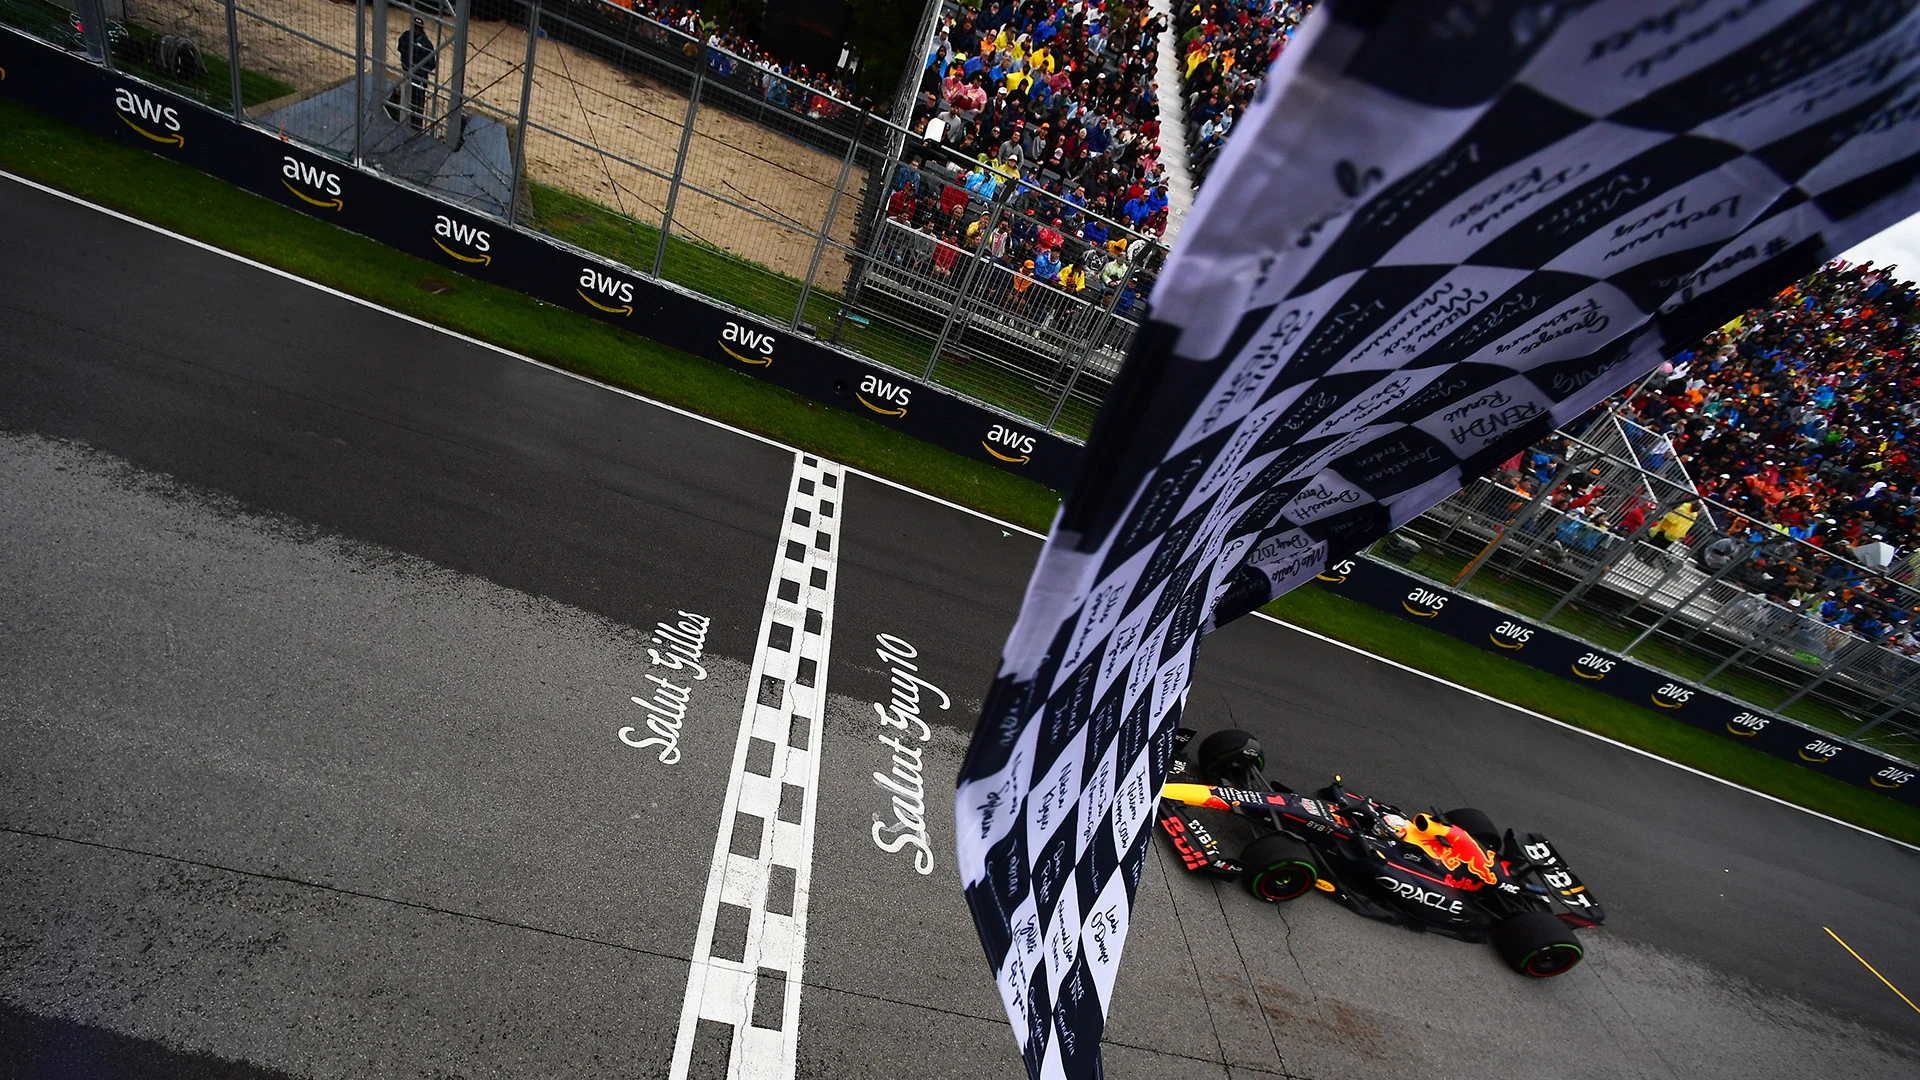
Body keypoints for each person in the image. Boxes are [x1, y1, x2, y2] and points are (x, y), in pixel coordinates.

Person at [397, 15, 437, 132]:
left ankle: (416, 128)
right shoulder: (406, 36)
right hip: (407, 75)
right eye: (415, 27)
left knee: (418, 106)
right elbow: (401, 48)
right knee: (404, 102)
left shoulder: (427, 44)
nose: (416, 30)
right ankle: (402, 125)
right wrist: (406, 64)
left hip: (419, 80)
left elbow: (432, 64)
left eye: (418, 28)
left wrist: (419, 70)